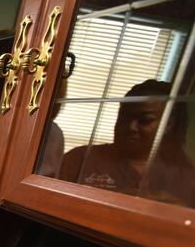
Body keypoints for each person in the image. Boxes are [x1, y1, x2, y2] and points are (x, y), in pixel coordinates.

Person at [59, 79, 195, 207]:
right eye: (125, 117)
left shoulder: (186, 177)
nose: (131, 127)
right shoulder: (80, 158)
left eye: (145, 120)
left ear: (168, 125)